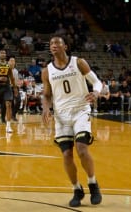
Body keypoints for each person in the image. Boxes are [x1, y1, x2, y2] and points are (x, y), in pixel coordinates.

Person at [41, 36, 103, 207]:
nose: (53, 46)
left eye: (57, 43)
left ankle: (93, 183)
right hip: (61, 115)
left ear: (65, 46)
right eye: (51, 44)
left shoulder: (79, 62)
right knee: (67, 154)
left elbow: (97, 82)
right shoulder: (47, 71)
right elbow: (46, 95)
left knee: (82, 149)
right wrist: (46, 108)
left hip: (81, 110)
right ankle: (77, 189)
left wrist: (96, 93)